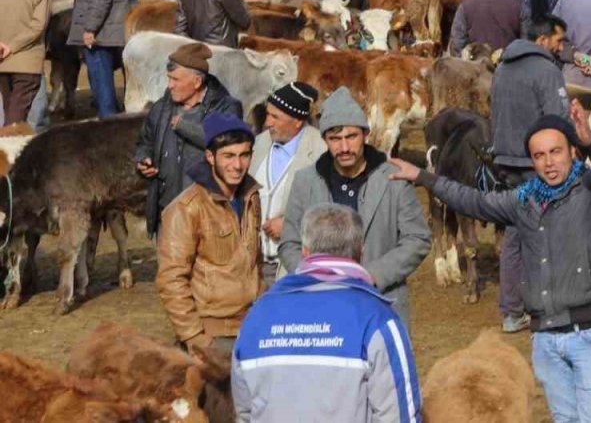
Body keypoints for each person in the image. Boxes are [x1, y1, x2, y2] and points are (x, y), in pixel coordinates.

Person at [387, 102, 591, 423]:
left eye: (556, 152)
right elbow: (473, 200)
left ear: (573, 151)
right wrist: (423, 176)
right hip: (547, 338)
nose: (549, 163)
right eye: (539, 156)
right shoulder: (524, 200)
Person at [233, 203, 420, 422]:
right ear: (361, 250)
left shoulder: (257, 316)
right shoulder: (377, 318)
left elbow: (244, 411)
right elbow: (400, 415)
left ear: (305, 251)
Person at [278, 87, 432, 323]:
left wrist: (372, 275)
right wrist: (317, 277)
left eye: (351, 136)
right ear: (325, 140)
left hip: (381, 303)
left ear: (365, 134)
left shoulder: (394, 178)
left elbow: (418, 239)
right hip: (320, 308)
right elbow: (289, 242)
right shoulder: (305, 180)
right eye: (335, 139)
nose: (344, 148)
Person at [483, 16, 571, 332]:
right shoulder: (547, 71)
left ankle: (512, 310)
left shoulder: (503, 68)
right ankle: (546, 304)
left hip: (506, 161)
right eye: (559, 41)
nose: (562, 48)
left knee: (515, 234)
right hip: (537, 164)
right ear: (544, 39)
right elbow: (557, 121)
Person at [156, 112, 261, 355]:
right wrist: (194, 338)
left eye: (244, 155)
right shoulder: (186, 208)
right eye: (228, 156)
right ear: (210, 157)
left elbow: (254, 261)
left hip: (251, 327)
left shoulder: (250, 196)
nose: (237, 165)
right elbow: (171, 279)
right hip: (213, 334)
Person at [135, 42, 244, 233]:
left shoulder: (226, 108)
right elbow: (145, 141)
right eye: (169, 78)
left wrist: (184, 126)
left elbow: (226, 144)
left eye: (176, 79)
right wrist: (143, 159)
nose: (170, 85)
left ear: (196, 82)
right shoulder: (161, 108)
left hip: (207, 218)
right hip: (166, 213)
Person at [248, 82, 324, 286]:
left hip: (291, 266)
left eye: (275, 117)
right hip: (253, 264)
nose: (267, 123)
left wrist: (292, 226)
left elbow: (329, 208)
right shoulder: (258, 144)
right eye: (267, 114)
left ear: (297, 120)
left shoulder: (320, 152)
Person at [0, 0, 49, 124]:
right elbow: (38, 26)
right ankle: (9, 146)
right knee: (17, 116)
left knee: (8, 108)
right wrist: (12, 46)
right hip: (27, 62)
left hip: (2, 61)